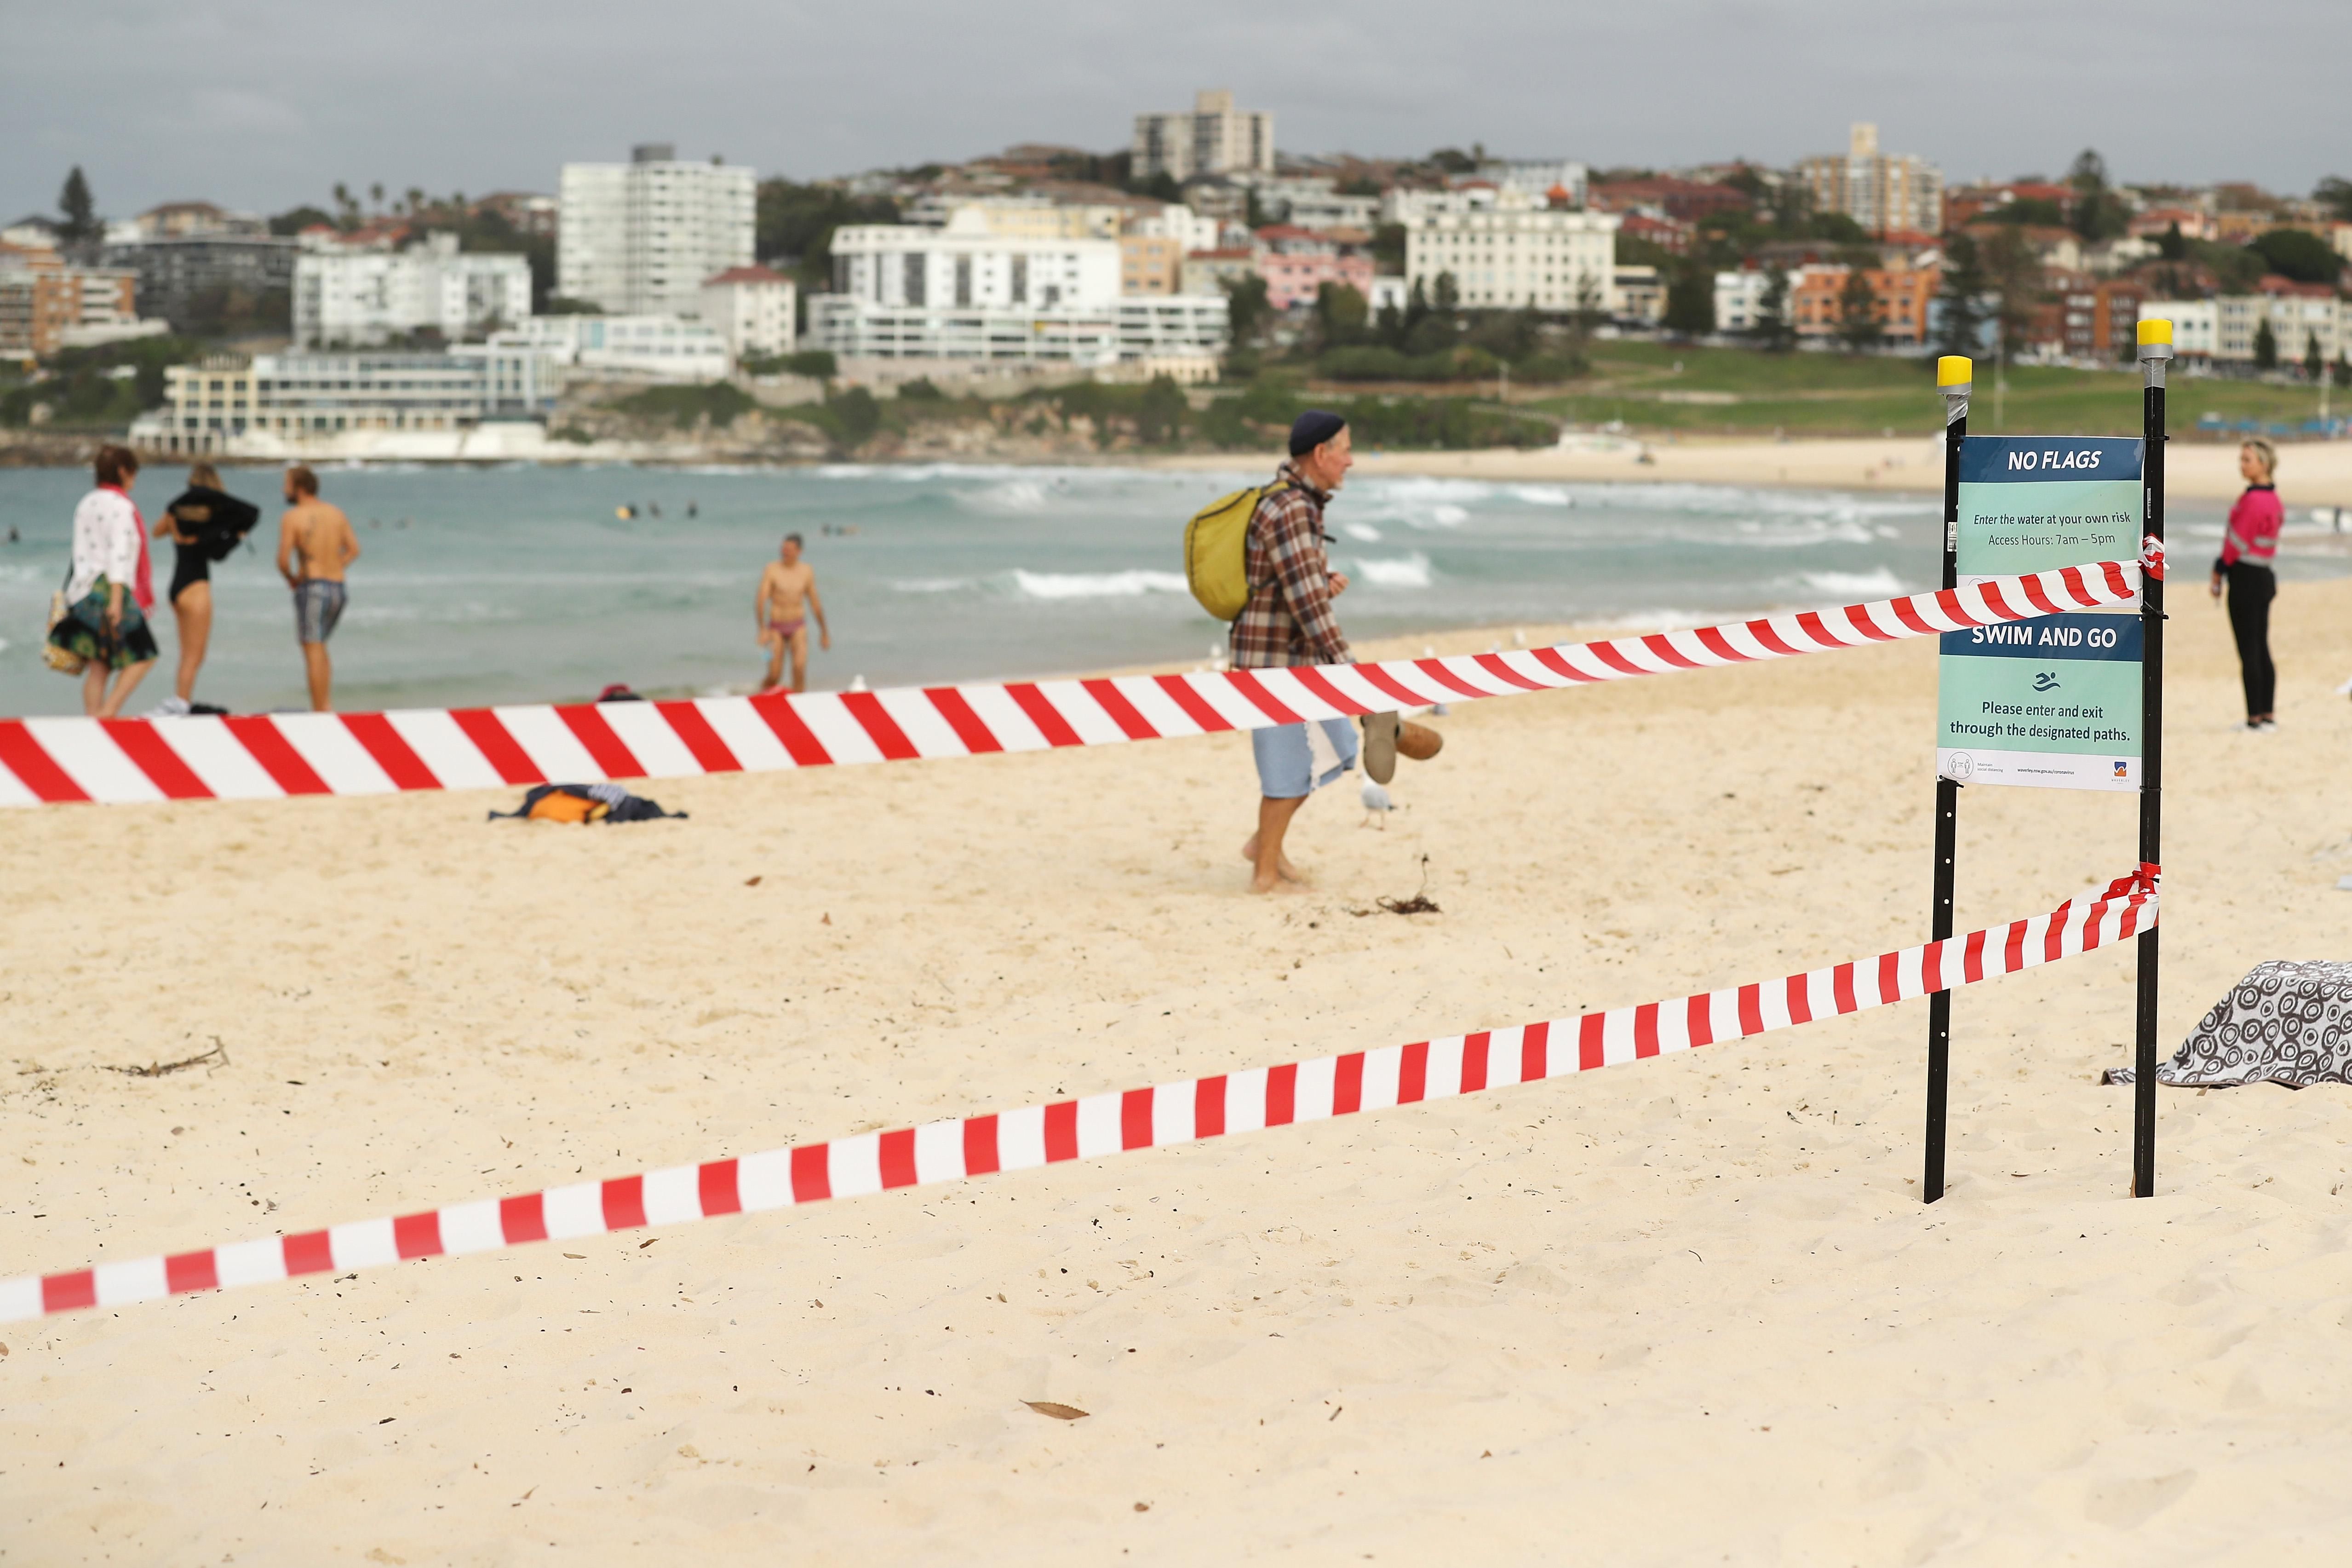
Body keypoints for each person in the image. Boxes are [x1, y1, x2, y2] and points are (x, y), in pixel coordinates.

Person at [1233, 411, 1359, 895]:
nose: (1350, 461)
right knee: (1288, 767)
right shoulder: (1291, 508)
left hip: (1294, 657)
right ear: (1320, 454)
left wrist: (1322, 586)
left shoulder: (1300, 503)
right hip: (1273, 662)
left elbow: (1293, 586)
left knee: (1336, 749)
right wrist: (1347, 665)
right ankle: (1263, 873)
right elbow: (1304, 600)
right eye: (1344, 450)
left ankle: (1262, 846)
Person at [48, 444, 159, 718]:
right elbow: (119, 552)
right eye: (133, 472)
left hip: (83, 590)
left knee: (100, 665)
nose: (134, 479)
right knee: (144, 655)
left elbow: (81, 551)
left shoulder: (86, 502)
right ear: (123, 471)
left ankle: (94, 723)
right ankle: (107, 716)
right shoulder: (121, 506)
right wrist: (119, 598)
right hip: (108, 589)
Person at [150, 461, 258, 714]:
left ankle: (180, 702)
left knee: (186, 655)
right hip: (197, 588)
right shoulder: (213, 516)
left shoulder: (177, 513)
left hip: (176, 587)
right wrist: (232, 534)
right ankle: (180, 704)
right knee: (194, 657)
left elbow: (156, 532)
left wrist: (177, 521)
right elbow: (216, 551)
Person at [275, 465, 360, 712]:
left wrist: (291, 577)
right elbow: (354, 550)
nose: (283, 489)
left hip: (313, 587)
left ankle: (320, 711)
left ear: (299, 488)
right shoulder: (336, 513)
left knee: (312, 648)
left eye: (287, 484)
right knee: (320, 646)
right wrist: (335, 564)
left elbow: (282, 559)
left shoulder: (293, 517)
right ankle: (326, 705)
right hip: (338, 587)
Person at [2210, 438, 2282, 730]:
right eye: (2241, 459)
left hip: (2246, 577)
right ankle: (2267, 715)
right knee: (2261, 647)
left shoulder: (2253, 499)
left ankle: (2255, 718)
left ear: (2264, 464)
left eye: (2248, 460)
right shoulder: (2274, 498)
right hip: (2264, 575)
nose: (2242, 465)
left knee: (2250, 650)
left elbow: (2236, 543)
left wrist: (2219, 570)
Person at [756, 533, 830, 693]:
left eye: (789, 549)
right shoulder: (772, 570)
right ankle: (759, 698)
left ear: (799, 551)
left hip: (798, 626)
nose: (785, 552)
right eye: (783, 548)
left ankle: (799, 706)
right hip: (776, 628)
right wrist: (762, 629)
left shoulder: (806, 571)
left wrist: (824, 632)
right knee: (775, 674)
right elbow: (761, 600)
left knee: (799, 667)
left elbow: (815, 603)